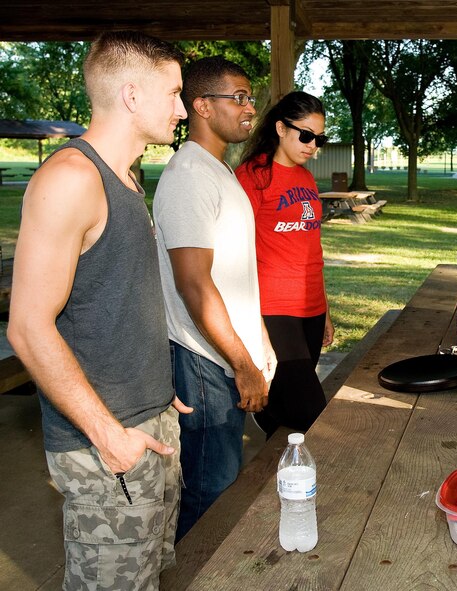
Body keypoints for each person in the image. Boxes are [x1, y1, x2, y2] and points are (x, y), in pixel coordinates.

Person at [7, 31, 190, 589]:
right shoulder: (70, 178)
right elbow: (28, 327)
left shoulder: (128, 178)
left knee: (147, 576)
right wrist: (108, 435)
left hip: (150, 421)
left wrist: (156, 389)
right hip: (105, 441)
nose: (183, 109)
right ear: (133, 95)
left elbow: (112, 297)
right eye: (175, 93)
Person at [153, 56, 276, 541]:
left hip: (226, 356)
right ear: (201, 106)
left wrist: (259, 341)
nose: (250, 109)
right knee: (211, 492)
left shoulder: (219, 171)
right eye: (238, 97)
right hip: (204, 362)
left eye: (251, 98)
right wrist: (242, 364)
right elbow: (194, 284)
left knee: (222, 484)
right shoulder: (189, 176)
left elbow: (235, 274)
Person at [235, 91, 333, 437]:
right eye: (305, 135)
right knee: (312, 414)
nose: (312, 145)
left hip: (311, 308)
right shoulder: (252, 177)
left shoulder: (306, 179)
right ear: (280, 127)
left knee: (288, 417)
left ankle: (277, 481)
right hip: (275, 309)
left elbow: (311, 248)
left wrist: (326, 311)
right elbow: (236, 251)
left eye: (319, 138)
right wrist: (251, 321)